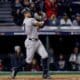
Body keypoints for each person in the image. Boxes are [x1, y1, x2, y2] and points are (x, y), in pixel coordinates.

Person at [11, 8, 51, 79]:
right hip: (31, 42)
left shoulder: (26, 21)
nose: (29, 13)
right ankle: (15, 69)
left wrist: (40, 23)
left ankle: (45, 74)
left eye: (29, 12)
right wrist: (44, 19)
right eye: (27, 12)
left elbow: (37, 28)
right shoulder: (30, 20)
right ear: (25, 14)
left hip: (37, 41)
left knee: (45, 56)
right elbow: (40, 24)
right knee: (28, 61)